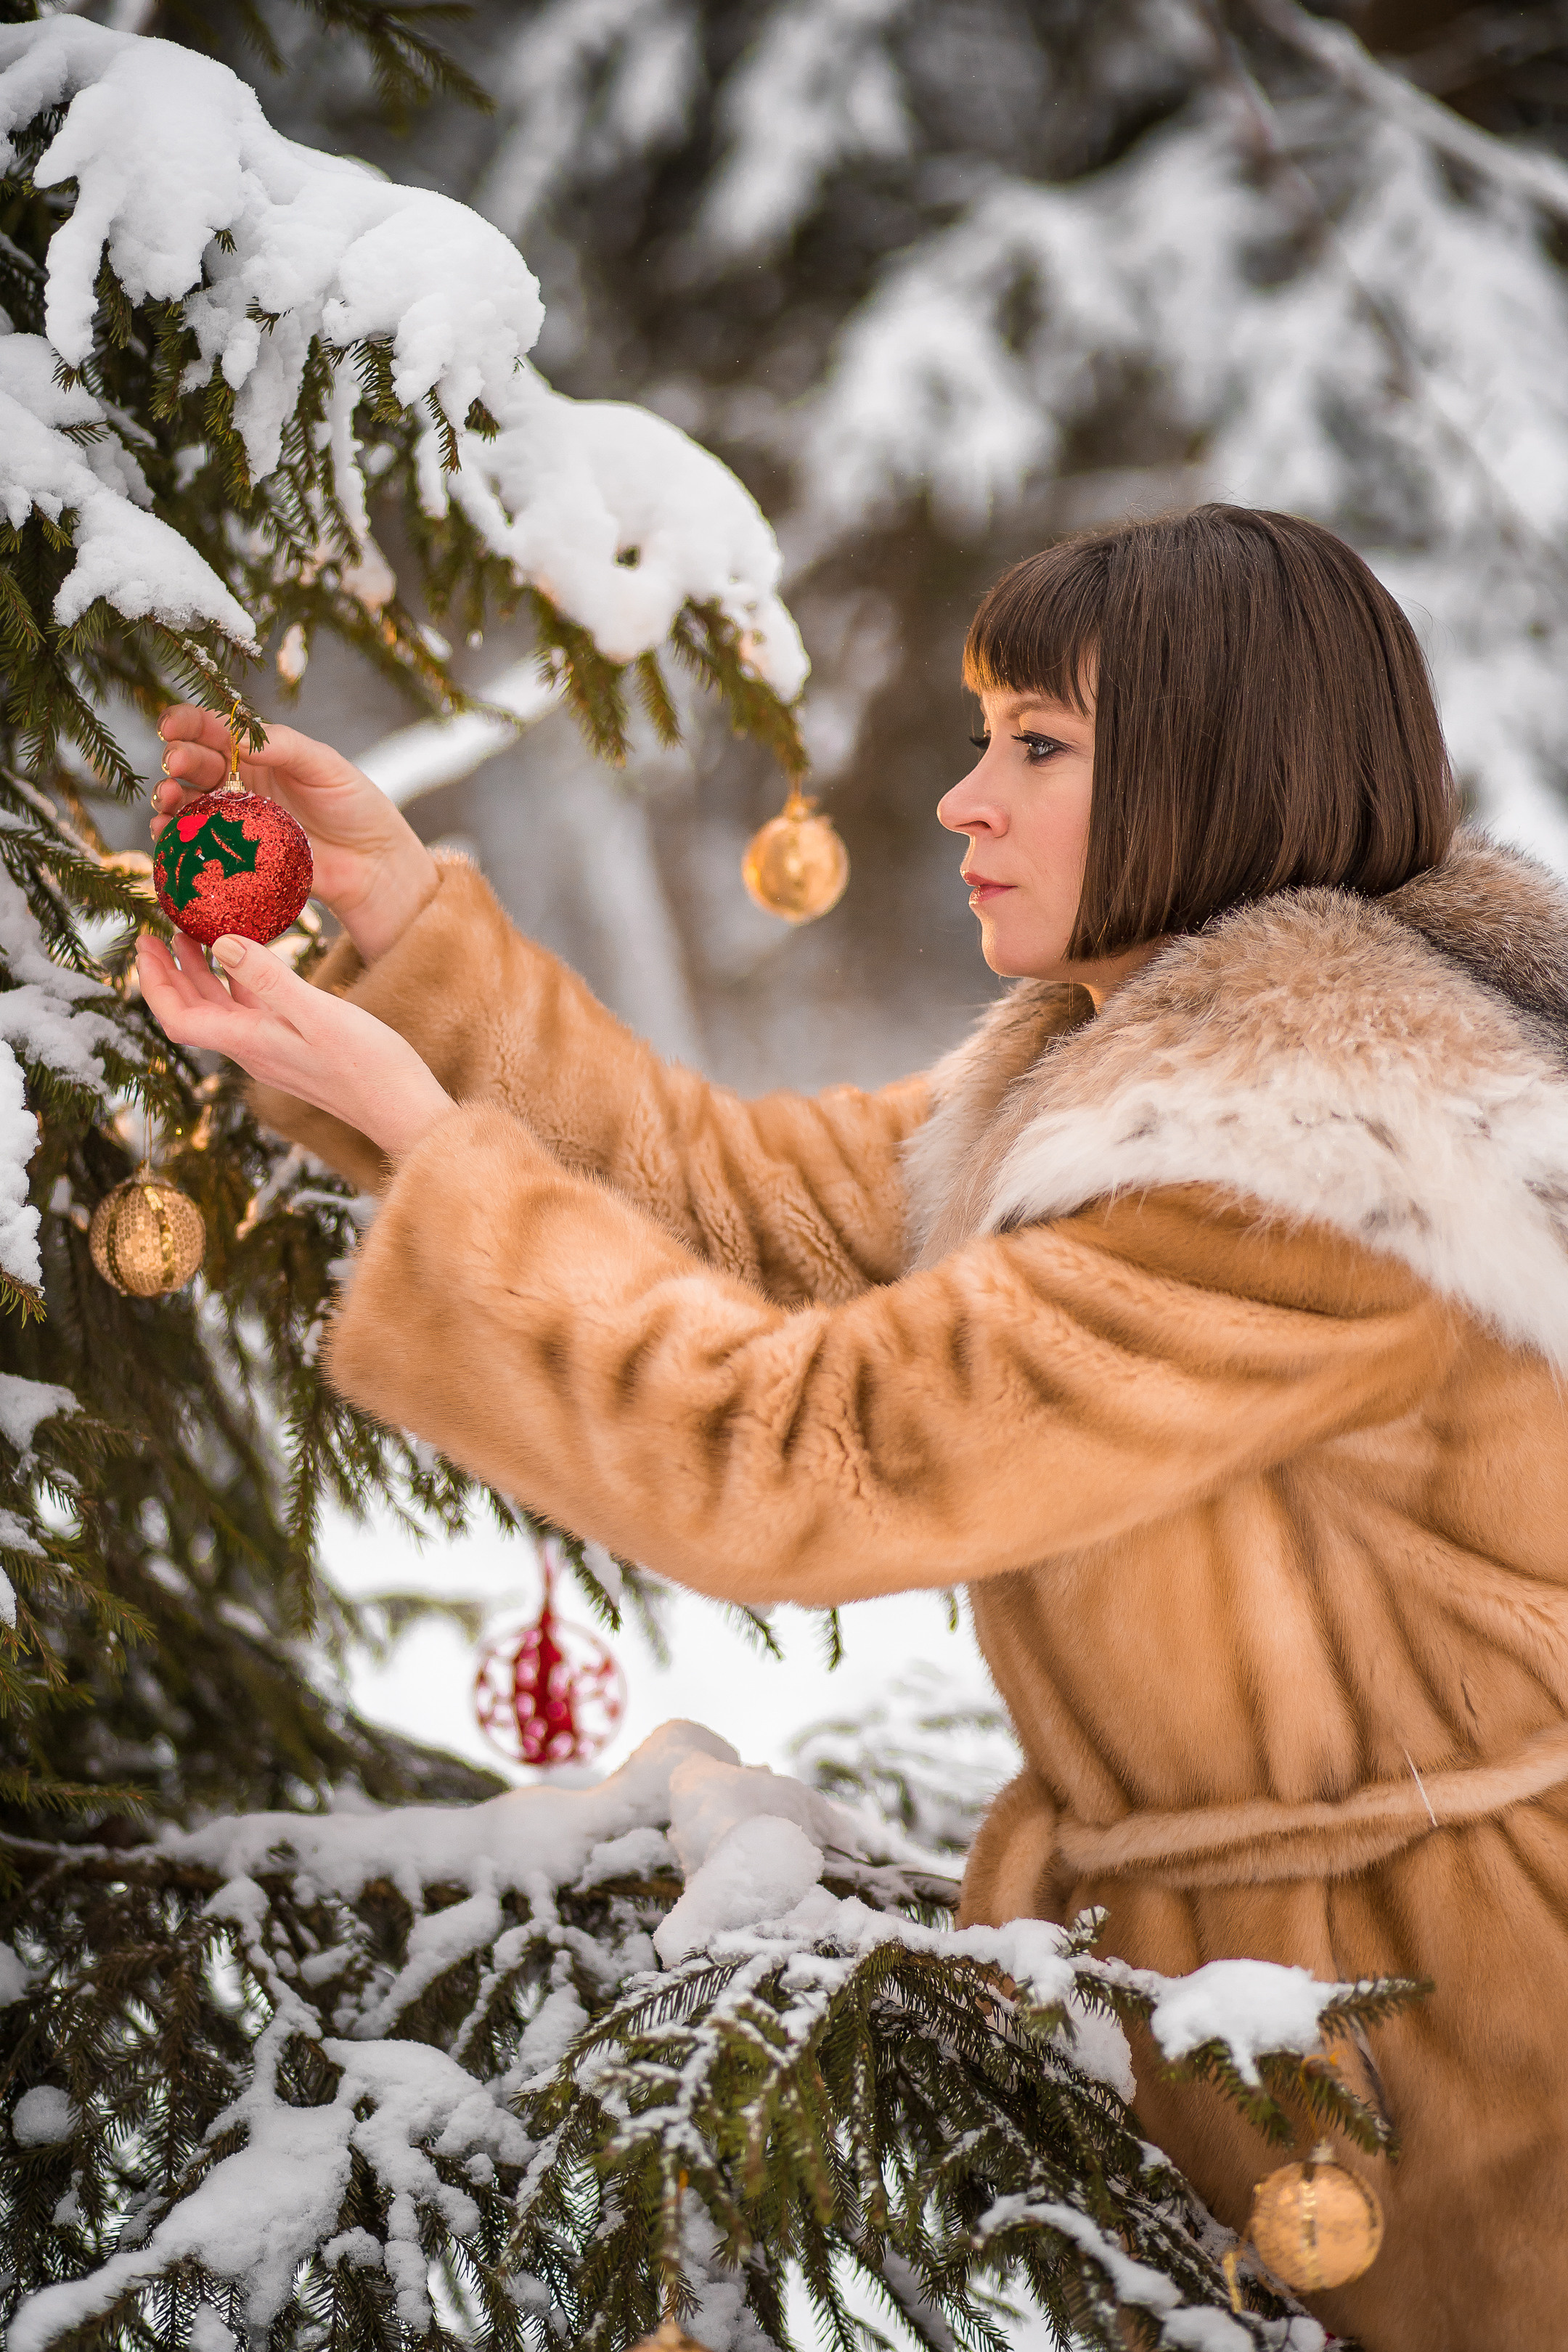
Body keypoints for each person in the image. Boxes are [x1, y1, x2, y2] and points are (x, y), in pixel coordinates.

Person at [139, 505, 1568, 2352]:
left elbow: (805, 1458)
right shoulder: (1116, 1075)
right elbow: (737, 1208)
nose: (965, 802)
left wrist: (432, 1140)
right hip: (1262, 2018)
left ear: (1219, 771)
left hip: (1456, 2061)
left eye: (1037, 746)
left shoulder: (1311, 1174)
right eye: (984, 739)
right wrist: (404, 923)